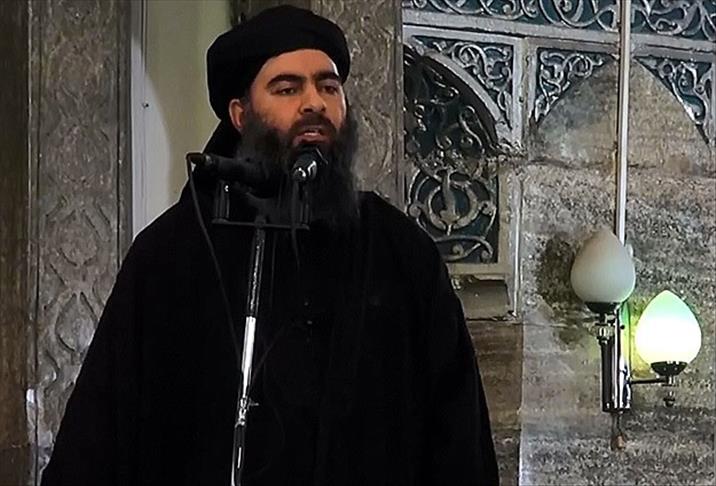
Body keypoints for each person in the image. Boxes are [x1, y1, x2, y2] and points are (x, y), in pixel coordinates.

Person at [41, 5, 498, 486]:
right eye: (287, 88)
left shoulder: (401, 253)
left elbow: (459, 438)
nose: (314, 103)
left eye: (328, 86)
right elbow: (98, 440)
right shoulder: (172, 256)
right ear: (240, 115)